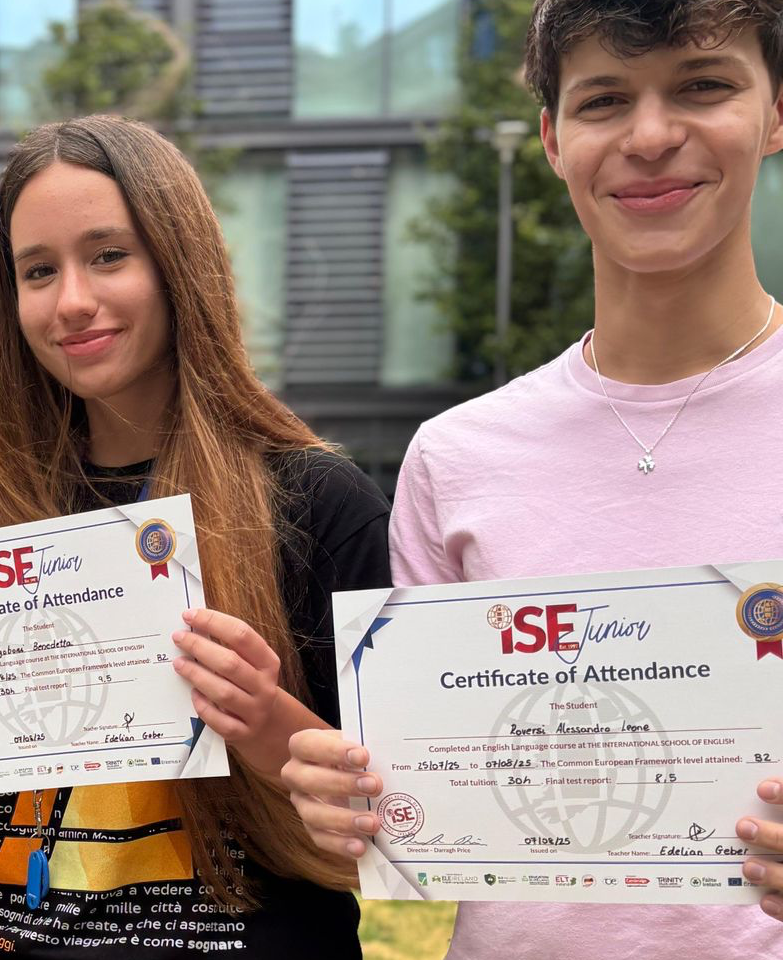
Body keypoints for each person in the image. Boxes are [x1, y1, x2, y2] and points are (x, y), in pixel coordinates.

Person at [283, 1, 783, 957]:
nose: (650, 136)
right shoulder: (454, 456)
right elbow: (415, 797)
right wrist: (343, 797)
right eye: (605, 100)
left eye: (703, 86)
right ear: (553, 139)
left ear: (776, 113)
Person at [0, 115, 392, 958]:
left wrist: (263, 719)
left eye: (108, 255)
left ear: (179, 264)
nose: (71, 301)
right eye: (38, 271)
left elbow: (394, 831)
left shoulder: (316, 500)